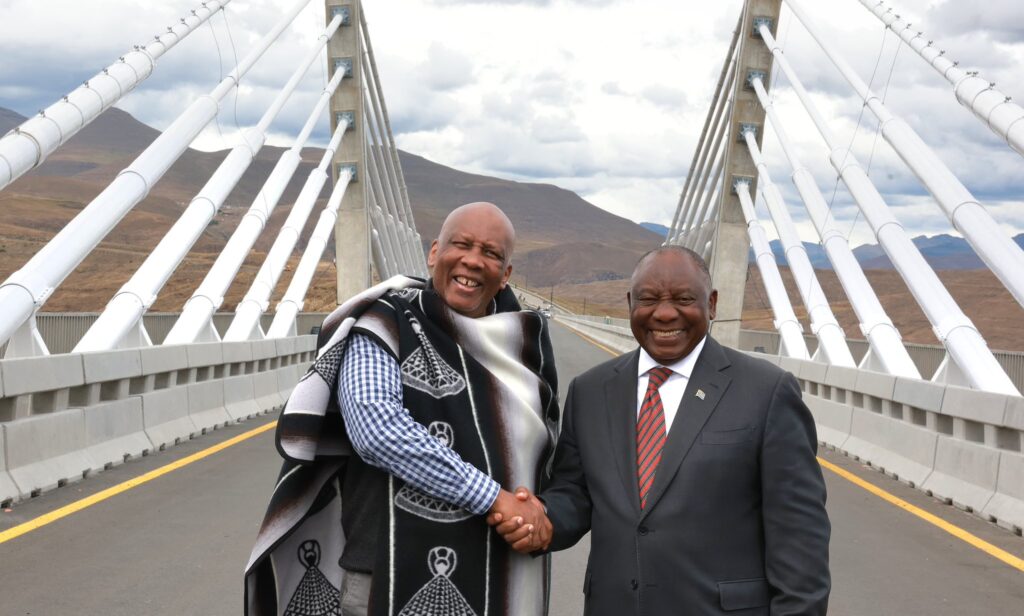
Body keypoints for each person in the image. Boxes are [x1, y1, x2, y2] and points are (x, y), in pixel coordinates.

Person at [245, 202, 556, 616]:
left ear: (506, 275)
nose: (472, 260)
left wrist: (538, 516)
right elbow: (377, 430)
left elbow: (547, 455)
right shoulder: (383, 322)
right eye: (460, 245)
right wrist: (495, 499)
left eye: (491, 253)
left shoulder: (525, 347)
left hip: (494, 575)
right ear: (433, 252)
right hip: (384, 572)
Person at [493, 246, 831, 615]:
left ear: (712, 304)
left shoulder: (766, 392)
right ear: (630, 304)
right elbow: (575, 493)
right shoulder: (591, 390)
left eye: (684, 299)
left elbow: (801, 541)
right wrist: (541, 517)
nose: (665, 313)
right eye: (649, 299)